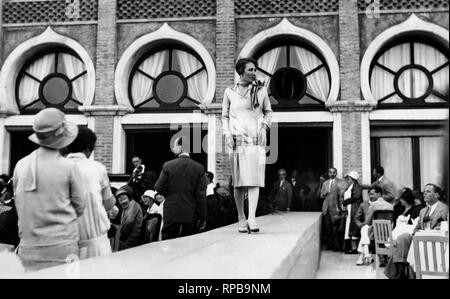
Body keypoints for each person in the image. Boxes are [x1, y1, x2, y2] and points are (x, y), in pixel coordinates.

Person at [12, 108, 85, 271]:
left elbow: (19, 204)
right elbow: (80, 207)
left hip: (28, 249)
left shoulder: (20, 165)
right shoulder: (68, 167)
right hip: (63, 250)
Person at [222, 57, 273, 233]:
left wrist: (265, 128)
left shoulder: (261, 90)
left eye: (255, 69)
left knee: (254, 181)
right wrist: (227, 134)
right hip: (236, 141)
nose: (254, 72)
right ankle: (241, 217)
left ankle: (252, 217)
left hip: (256, 141)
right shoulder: (229, 92)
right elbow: (225, 116)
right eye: (250, 69)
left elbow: (268, 112)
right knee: (239, 183)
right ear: (241, 71)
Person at [66, 126, 116, 259]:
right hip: (95, 243)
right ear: (88, 148)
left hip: (65, 244)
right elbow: (109, 202)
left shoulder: (56, 168)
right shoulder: (97, 168)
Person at [385, 183, 448, 279]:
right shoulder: (423, 211)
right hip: (420, 238)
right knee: (403, 237)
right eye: (424, 192)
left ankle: (398, 273)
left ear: (437, 195)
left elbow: (445, 227)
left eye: (428, 191)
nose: (425, 194)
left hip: (435, 240)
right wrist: (416, 234)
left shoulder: (444, 209)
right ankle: (400, 271)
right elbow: (417, 227)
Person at [154, 136, 207, 240]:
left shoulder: (168, 165)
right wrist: (203, 217)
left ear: (180, 147)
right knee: (188, 247)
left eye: (175, 146)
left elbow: (158, 186)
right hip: (190, 213)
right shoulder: (199, 168)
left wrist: (169, 193)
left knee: (168, 244)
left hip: (171, 211)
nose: (173, 149)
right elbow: (201, 196)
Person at [320, 167, 344, 251]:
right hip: (326, 208)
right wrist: (324, 194)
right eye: (330, 172)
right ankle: (330, 245)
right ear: (328, 173)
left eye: (334, 172)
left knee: (335, 228)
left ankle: (336, 246)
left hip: (335, 208)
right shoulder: (325, 183)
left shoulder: (340, 182)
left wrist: (340, 208)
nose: (332, 174)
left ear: (336, 173)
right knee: (328, 228)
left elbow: (341, 197)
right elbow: (321, 195)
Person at [341, 171, 363, 254]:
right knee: (348, 228)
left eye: (349, 179)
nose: (347, 180)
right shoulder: (349, 186)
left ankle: (354, 248)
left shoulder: (357, 186)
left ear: (353, 179)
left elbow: (356, 197)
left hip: (354, 208)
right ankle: (350, 247)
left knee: (353, 227)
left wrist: (346, 201)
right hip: (349, 209)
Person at [116, 185, 143, 250]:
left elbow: (129, 222)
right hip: (128, 237)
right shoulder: (124, 209)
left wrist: (120, 236)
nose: (121, 197)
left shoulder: (133, 204)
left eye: (123, 194)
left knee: (114, 247)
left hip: (133, 238)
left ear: (128, 197)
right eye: (119, 196)